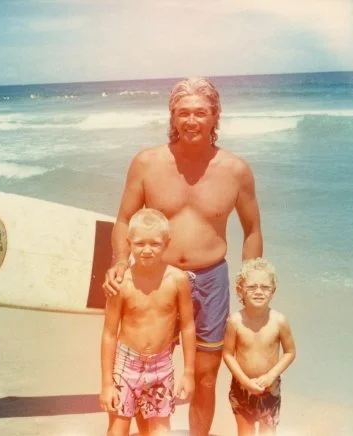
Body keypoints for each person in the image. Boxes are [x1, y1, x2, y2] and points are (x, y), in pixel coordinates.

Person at [103, 77, 263, 435]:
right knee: (145, 367)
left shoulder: (236, 170)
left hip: (211, 282)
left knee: (205, 378)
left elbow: (252, 231)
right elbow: (124, 219)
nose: (192, 120)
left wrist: (250, 283)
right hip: (155, 279)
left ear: (215, 117)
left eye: (201, 113)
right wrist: (118, 260)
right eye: (183, 113)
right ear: (172, 117)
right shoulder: (146, 163)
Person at [100, 208, 195, 436]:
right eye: (140, 243)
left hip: (161, 366)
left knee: (160, 430)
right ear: (129, 242)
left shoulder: (178, 280)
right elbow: (109, 334)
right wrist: (106, 385)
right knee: (118, 429)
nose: (147, 250)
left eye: (155, 244)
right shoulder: (122, 284)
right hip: (126, 365)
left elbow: (188, 327)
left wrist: (189, 373)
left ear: (167, 243)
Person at [222, 258, 296, 436]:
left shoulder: (279, 321)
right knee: (245, 432)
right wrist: (245, 382)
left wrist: (271, 376)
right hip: (241, 387)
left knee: (268, 432)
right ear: (240, 290)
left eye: (265, 287)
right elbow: (228, 354)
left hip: (269, 388)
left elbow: (290, 352)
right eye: (252, 287)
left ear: (273, 292)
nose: (258, 292)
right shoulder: (235, 321)